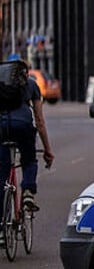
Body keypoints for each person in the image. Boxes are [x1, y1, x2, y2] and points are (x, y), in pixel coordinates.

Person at [0, 58, 54, 212]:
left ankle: (1, 230)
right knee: (29, 160)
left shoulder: (1, 86)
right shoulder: (31, 84)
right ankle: (28, 192)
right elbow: (39, 121)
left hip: (2, 127)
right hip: (23, 125)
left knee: (1, 171)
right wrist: (47, 149)